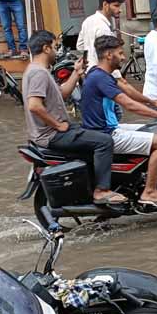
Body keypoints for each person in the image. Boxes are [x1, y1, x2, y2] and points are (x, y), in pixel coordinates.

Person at [23, 31, 126, 205]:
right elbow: (34, 105)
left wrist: (76, 73)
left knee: (90, 134)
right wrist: (57, 125)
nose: (57, 51)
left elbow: (61, 94)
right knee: (104, 141)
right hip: (51, 135)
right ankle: (101, 191)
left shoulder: (37, 71)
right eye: (55, 47)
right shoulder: (38, 73)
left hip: (53, 131)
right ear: (46, 48)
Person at [81, 35, 157, 209]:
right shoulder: (100, 78)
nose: (124, 57)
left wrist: (153, 101)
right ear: (109, 55)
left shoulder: (100, 74)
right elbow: (128, 104)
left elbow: (127, 90)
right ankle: (149, 192)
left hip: (109, 128)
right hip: (107, 133)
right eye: (120, 53)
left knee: (153, 129)